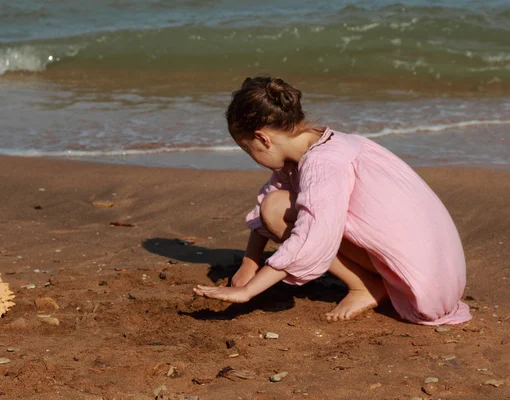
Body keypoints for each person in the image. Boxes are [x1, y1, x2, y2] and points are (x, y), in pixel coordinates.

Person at [193, 76, 471, 325]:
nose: (250, 157)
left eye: (246, 149)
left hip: (422, 282)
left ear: (263, 138)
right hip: (441, 268)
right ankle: (371, 281)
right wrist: (249, 264)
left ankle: (365, 286)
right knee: (277, 203)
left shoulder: (322, 164)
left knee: (286, 212)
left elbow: (313, 235)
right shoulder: (322, 142)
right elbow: (271, 195)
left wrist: (248, 291)